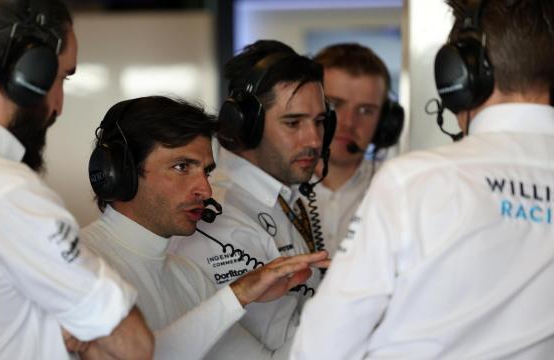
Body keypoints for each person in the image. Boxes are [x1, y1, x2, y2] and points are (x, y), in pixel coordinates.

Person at [292, 0, 554, 358]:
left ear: (458, 76)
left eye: (366, 109)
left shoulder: (412, 181)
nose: (348, 121)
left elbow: (324, 345)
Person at [0, 1, 153, 358]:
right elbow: (133, 345)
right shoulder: (3, 191)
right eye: (61, 78)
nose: (58, 105)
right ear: (29, 71)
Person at [82, 96, 329, 359]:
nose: (206, 190)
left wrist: (344, 300)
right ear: (120, 172)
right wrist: (236, 296)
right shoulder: (77, 264)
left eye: (206, 172)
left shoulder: (188, 276)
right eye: (182, 167)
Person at [173, 40, 333, 350]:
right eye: (293, 122)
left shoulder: (284, 194)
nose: (314, 139)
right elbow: (281, 349)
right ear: (245, 125)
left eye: (320, 122)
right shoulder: (215, 217)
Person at [312, 43, 403, 251]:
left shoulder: (398, 190)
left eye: (365, 110)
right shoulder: (271, 189)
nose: (348, 123)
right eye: (334, 105)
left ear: (385, 121)